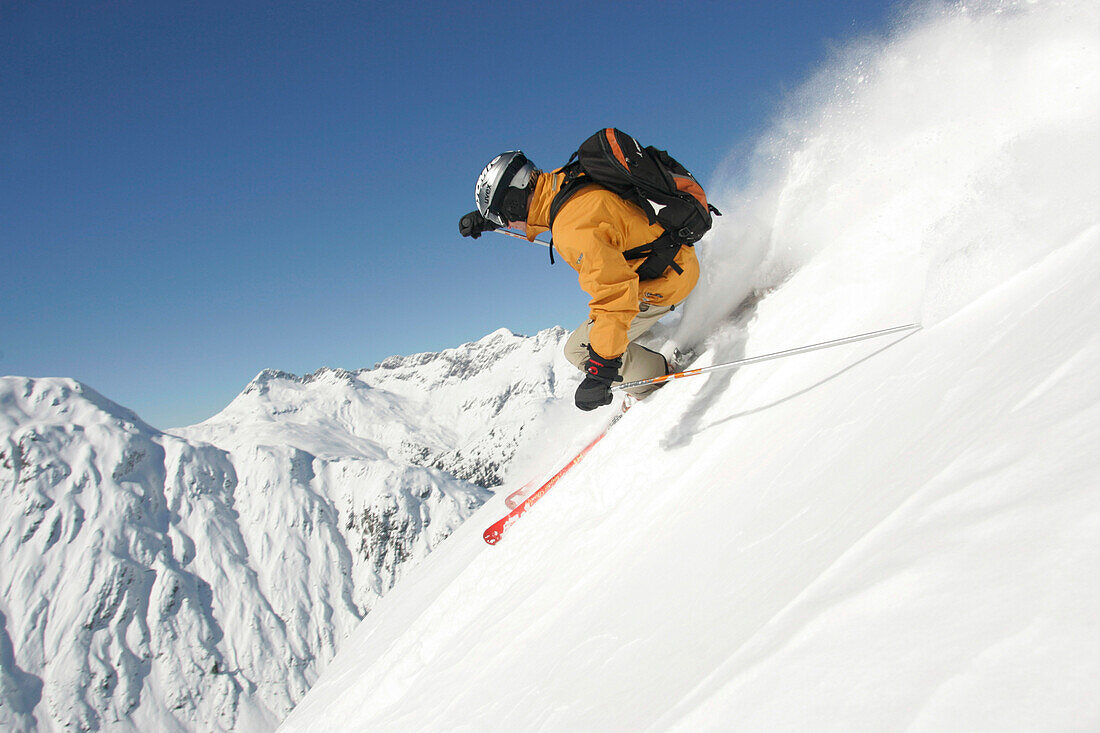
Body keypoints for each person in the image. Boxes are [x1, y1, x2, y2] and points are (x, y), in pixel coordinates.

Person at [459, 150, 700, 411]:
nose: (505, 224)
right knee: (604, 331)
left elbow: (615, 296)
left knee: (578, 350)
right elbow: (541, 207)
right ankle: (645, 347)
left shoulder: (571, 227)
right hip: (672, 256)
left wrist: (601, 370)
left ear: (514, 204)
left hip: (665, 282)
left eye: (501, 217)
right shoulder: (564, 181)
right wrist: (485, 221)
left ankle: (656, 382)